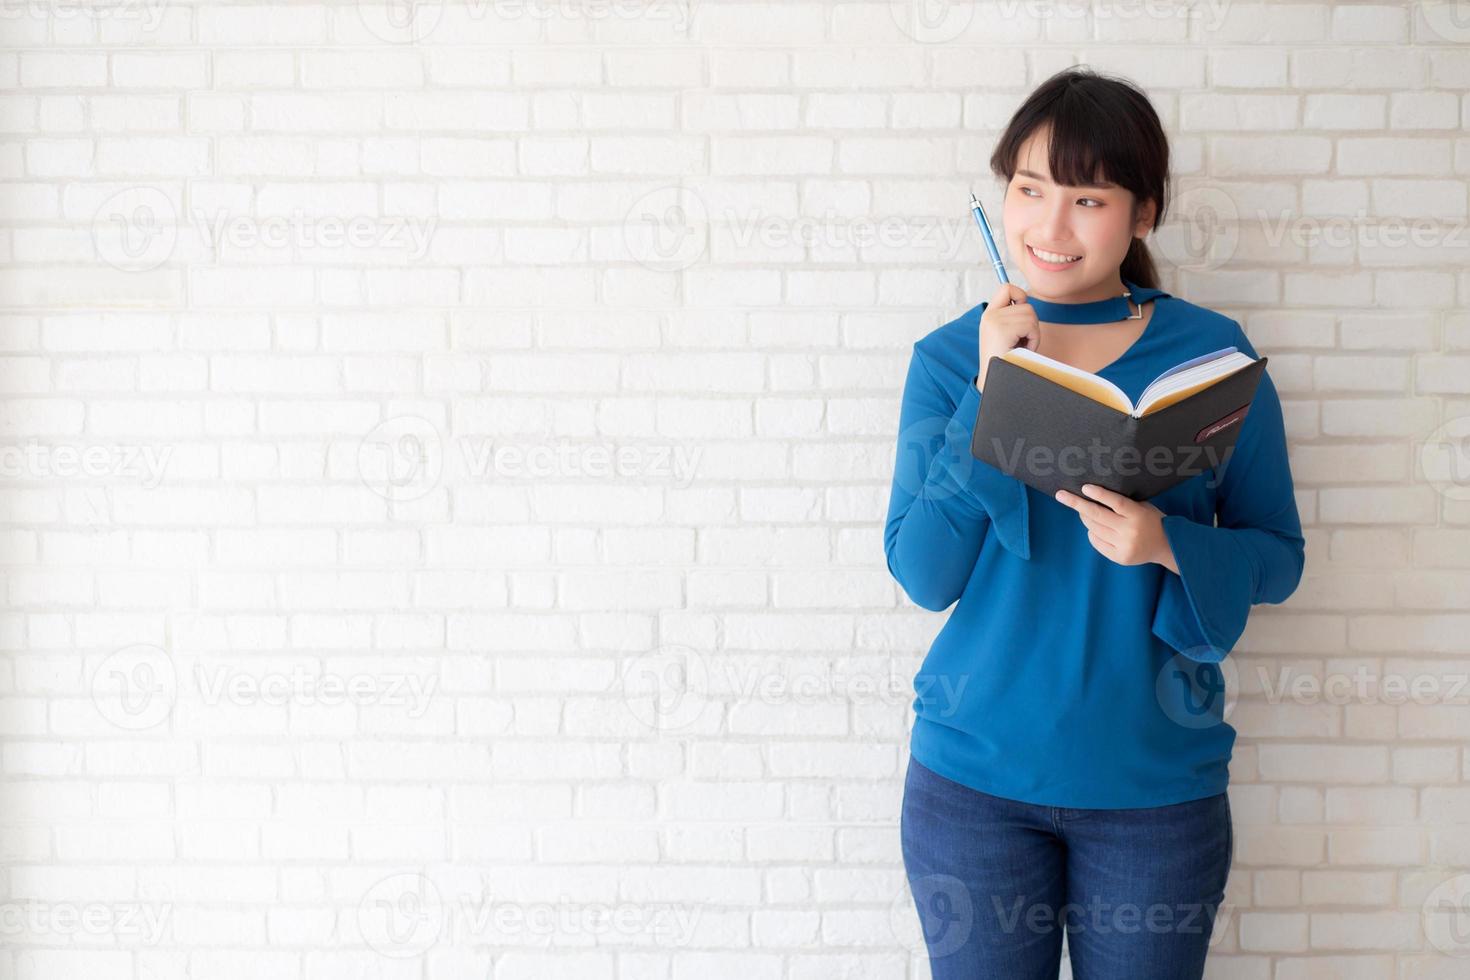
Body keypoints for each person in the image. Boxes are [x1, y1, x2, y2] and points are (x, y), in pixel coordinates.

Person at [884, 67, 1306, 979]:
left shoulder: (1212, 359)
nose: (1050, 226)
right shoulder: (952, 357)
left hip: (1155, 794)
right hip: (972, 790)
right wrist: (989, 394)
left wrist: (1166, 544)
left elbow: (1279, 556)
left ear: (1141, 213)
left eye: (1088, 198)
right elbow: (922, 572)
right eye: (1030, 191)